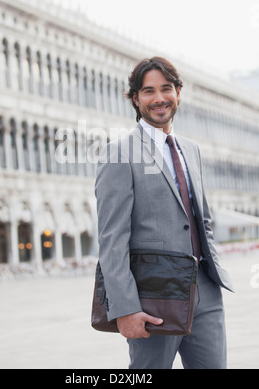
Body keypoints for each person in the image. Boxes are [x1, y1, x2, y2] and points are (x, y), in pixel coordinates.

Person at [95, 56, 234, 369]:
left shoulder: (191, 149)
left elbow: (202, 221)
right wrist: (125, 309)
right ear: (135, 98)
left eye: (166, 88)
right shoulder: (119, 152)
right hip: (152, 297)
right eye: (148, 91)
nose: (159, 98)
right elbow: (112, 238)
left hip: (205, 291)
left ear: (178, 92)